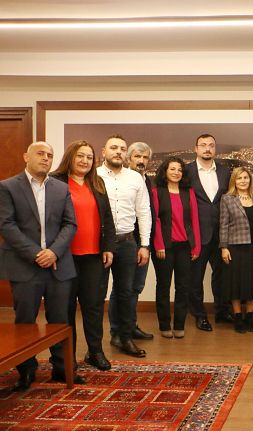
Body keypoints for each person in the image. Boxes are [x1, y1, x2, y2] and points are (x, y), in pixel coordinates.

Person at [0, 142, 80, 390]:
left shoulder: (61, 188)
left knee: (60, 320)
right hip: (25, 265)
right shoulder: (8, 187)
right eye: (40, 154)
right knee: (25, 321)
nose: (46, 158)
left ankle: (61, 369)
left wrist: (53, 252)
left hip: (58, 265)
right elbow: (6, 225)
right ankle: (26, 371)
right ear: (26, 156)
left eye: (50, 155)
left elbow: (70, 224)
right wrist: (36, 254)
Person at [51, 140, 116, 371]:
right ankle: (67, 357)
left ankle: (95, 352)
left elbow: (107, 218)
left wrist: (108, 247)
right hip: (64, 256)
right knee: (65, 308)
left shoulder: (96, 182)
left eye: (89, 157)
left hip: (94, 256)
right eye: (80, 156)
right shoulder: (55, 181)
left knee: (93, 306)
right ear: (70, 156)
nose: (85, 161)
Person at [98, 135, 152, 358]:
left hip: (128, 242)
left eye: (122, 148)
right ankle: (97, 345)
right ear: (104, 152)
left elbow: (144, 211)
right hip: (100, 243)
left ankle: (125, 337)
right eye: (113, 147)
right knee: (97, 293)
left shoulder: (135, 178)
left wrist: (145, 244)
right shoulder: (94, 176)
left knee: (126, 292)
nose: (118, 151)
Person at [186, 133, 233, 331]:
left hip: (222, 234)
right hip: (197, 234)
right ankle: (199, 315)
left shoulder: (225, 171)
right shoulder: (186, 171)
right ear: (196, 149)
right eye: (203, 145)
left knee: (222, 276)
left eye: (211, 145)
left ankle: (222, 311)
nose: (207, 148)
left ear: (215, 148)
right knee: (195, 278)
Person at [151, 157, 201, 339]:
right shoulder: (157, 192)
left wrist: (196, 247)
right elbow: (155, 220)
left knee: (183, 287)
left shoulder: (189, 192)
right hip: (164, 247)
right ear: (165, 171)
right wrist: (159, 244)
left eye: (179, 170)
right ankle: (164, 325)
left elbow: (194, 220)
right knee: (163, 286)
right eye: (172, 169)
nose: (176, 172)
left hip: (185, 247)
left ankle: (179, 325)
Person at [220, 167, 253, 333]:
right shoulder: (227, 199)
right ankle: (238, 317)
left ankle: (249, 317)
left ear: (250, 180)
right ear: (234, 181)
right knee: (236, 284)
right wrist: (224, 247)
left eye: (246, 178)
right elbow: (223, 225)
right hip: (235, 246)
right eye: (239, 178)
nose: (243, 181)